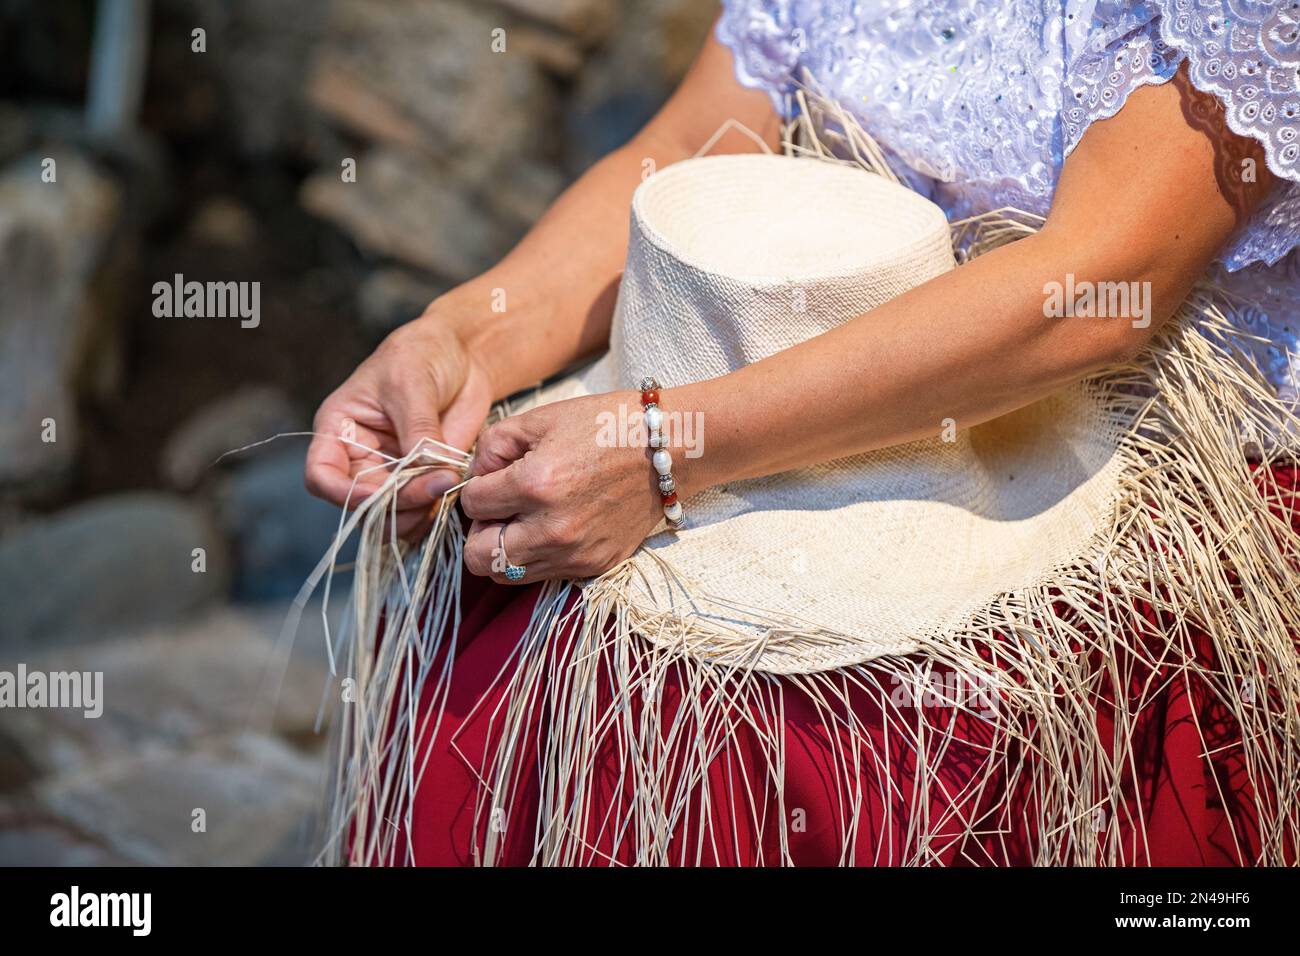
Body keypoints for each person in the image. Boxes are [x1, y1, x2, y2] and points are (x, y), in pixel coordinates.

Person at [304, 2, 1300, 865]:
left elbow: (1090, 287)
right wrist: (465, 341)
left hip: (1102, 451)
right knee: (514, 624)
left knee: (797, 744)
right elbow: (704, 136)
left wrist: (666, 449)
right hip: (764, 397)